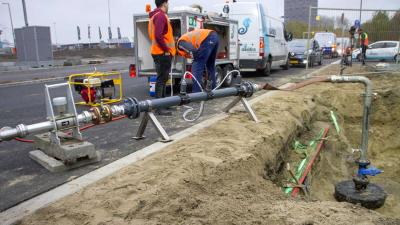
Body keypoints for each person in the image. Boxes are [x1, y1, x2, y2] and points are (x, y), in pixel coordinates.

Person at [148, 0, 176, 115]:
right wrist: (167, 50)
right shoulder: (160, 16)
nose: (168, 5)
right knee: (161, 80)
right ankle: (159, 108)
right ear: (164, 3)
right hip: (162, 53)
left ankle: (163, 104)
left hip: (158, 52)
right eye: (168, 3)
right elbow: (158, 36)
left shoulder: (154, 15)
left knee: (163, 79)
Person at [176, 29, 219, 93]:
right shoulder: (186, 39)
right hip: (214, 37)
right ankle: (213, 90)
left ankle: (196, 93)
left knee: (197, 65)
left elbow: (193, 50)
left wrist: (196, 60)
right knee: (210, 66)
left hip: (207, 38)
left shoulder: (180, 43)